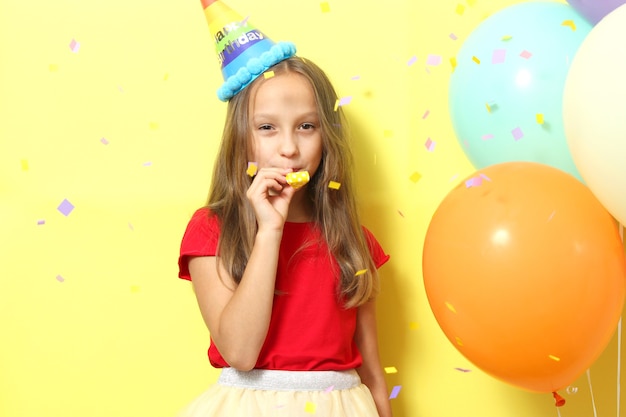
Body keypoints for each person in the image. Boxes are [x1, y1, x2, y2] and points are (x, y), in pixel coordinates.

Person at [176, 1, 392, 416]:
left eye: (306, 126)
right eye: (267, 127)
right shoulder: (210, 230)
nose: (290, 148)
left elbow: (373, 372)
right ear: (241, 137)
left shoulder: (353, 241)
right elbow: (240, 350)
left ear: (327, 136)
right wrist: (269, 230)